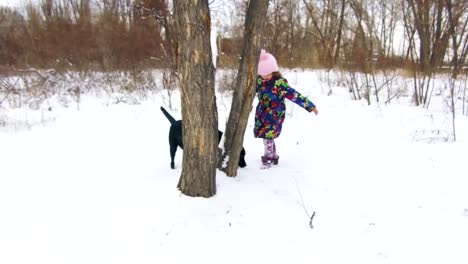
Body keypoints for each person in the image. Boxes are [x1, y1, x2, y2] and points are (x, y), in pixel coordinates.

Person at [254, 49, 318, 168]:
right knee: (267, 137)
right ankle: (273, 156)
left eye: (267, 74)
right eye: (262, 74)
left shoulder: (280, 84)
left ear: (274, 71)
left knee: (268, 136)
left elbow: (294, 95)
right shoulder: (260, 81)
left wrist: (310, 106)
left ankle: (268, 160)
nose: (264, 77)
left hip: (274, 116)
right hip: (262, 114)